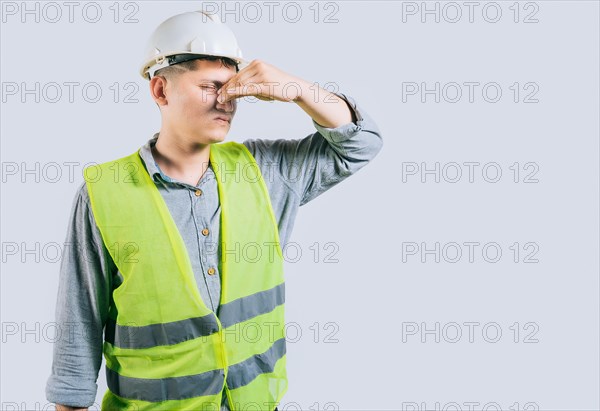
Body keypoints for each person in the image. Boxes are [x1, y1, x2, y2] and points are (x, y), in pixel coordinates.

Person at [45, 10, 383, 411]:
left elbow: (361, 144)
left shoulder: (266, 171)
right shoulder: (104, 193)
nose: (227, 102)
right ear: (160, 91)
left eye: (232, 89)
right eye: (210, 87)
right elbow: (78, 326)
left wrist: (297, 90)